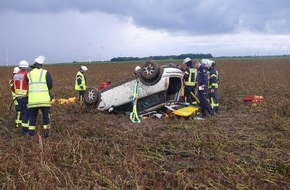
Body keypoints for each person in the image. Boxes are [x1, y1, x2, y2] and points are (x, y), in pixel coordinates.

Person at [27, 56, 53, 137]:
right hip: (44, 100)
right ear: (41, 65)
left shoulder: (29, 74)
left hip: (32, 101)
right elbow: (50, 85)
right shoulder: (45, 72)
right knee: (46, 117)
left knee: (32, 118)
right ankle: (46, 133)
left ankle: (31, 134)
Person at [10, 61, 30, 133]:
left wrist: (17, 93)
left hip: (17, 97)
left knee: (20, 111)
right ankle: (24, 130)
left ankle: (19, 125)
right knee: (26, 113)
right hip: (25, 97)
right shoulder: (27, 74)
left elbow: (12, 87)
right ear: (26, 67)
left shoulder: (15, 75)